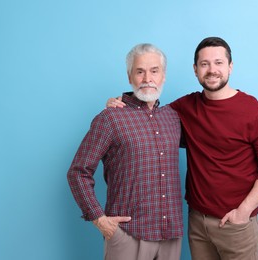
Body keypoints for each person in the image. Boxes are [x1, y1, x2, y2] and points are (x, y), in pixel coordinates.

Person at [107, 37, 258, 260]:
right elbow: (148, 117)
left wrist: (243, 211)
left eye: (219, 63)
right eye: (204, 64)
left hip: (236, 224)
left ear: (230, 66)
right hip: (197, 223)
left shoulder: (254, 112)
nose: (212, 70)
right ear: (195, 70)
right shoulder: (185, 107)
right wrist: (121, 102)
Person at [67, 43, 183, 260]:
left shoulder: (173, 118)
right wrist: (99, 219)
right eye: (140, 71)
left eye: (154, 71)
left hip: (170, 236)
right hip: (128, 236)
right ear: (130, 77)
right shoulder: (110, 118)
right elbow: (78, 171)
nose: (147, 78)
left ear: (163, 76)